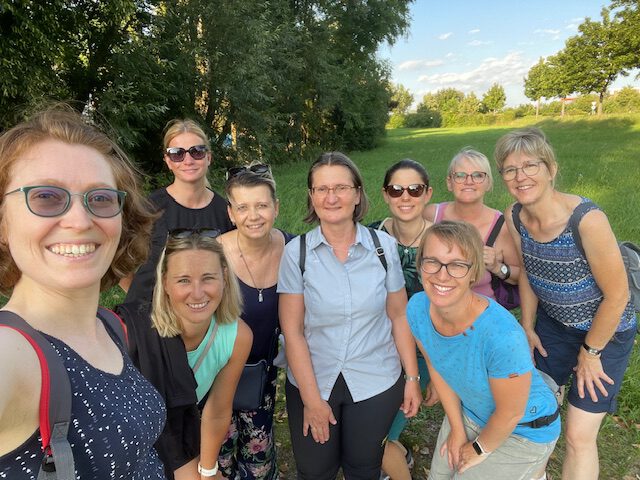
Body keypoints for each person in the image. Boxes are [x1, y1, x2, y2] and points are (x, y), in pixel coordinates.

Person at [0, 106, 166, 479]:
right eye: (45, 196)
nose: (79, 220)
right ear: (3, 223)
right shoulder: (10, 354)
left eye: (101, 198)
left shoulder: (109, 326)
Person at [495, 127, 637, 480]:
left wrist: (590, 353)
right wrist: (527, 326)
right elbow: (528, 270)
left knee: (578, 435)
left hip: (606, 334)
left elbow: (618, 296)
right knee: (532, 413)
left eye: (531, 165)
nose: (521, 176)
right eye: (510, 169)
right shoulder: (515, 215)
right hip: (553, 326)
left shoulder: (586, 220)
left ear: (551, 169)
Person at [277, 151, 422, 480]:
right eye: (322, 189)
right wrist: (312, 401)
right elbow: (293, 331)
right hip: (314, 380)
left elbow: (399, 316)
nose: (332, 197)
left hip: (375, 379)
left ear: (357, 194)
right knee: (315, 471)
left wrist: (412, 378)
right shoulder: (296, 253)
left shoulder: (383, 247)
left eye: (341, 187)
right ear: (312, 197)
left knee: (364, 468)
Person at [118, 119, 234, 478]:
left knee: (196, 415)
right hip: (149, 329)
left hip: (201, 329)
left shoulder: (225, 211)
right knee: (154, 423)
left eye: (196, 151)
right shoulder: (149, 208)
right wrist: (146, 300)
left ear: (209, 156)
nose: (188, 159)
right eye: (177, 152)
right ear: (167, 160)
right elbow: (119, 260)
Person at [407, 221, 560, 480]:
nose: (442, 275)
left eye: (457, 265)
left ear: (474, 272)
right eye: (432, 261)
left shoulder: (502, 336)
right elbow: (437, 367)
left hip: (522, 430)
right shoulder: (418, 308)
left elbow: (511, 413)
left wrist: (479, 448)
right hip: (471, 413)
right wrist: (457, 429)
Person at [151, 232, 252, 479]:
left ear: (224, 278)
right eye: (183, 280)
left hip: (177, 436)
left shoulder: (237, 337)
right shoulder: (137, 333)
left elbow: (217, 409)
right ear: (165, 283)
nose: (197, 293)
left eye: (208, 278)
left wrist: (207, 470)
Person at [217, 165, 293, 479]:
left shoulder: (293, 249)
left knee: (258, 460)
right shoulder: (213, 254)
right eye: (243, 207)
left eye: (261, 205)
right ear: (231, 213)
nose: (253, 216)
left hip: (263, 374)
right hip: (215, 375)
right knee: (218, 458)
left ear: (276, 207)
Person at [369, 159, 438, 480]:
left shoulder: (443, 242)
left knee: (377, 439)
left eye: (415, 189)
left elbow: (450, 313)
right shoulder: (369, 237)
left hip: (421, 354)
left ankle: (392, 461)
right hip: (374, 352)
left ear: (428, 194)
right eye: (396, 189)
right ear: (386, 194)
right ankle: (396, 456)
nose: (405, 196)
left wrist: (437, 373)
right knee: (369, 430)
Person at [423, 148, 520, 300]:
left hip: (482, 310)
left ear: (488, 183)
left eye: (478, 175)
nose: (469, 181)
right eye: (460, 175)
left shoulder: (502, 226)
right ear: (449, 183)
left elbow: (521, 275)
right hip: (435, 305)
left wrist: (496, 267)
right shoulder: (431, 215)